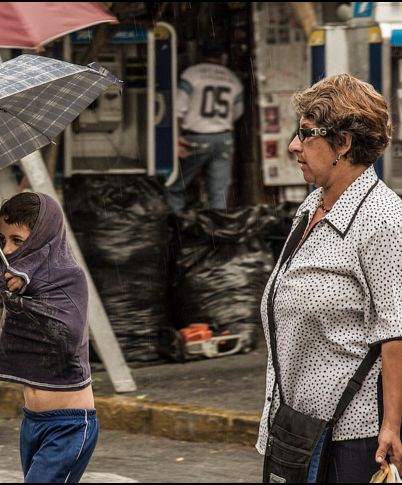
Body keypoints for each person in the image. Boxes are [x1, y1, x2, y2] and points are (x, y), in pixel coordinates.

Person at [257, 73, 402, 482]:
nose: (293, 146)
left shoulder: (383, 220)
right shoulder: (311, 208)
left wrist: (392, 427)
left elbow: (396, 332)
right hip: (294, 426)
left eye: (306, 134)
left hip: (352, 438)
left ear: (344, 143)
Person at [0, 192, 97, 483]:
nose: (8, 250)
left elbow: (66, 337)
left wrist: (23, 301)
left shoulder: (69, 276)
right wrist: (17, 294)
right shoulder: (16, 282)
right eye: (3, 240)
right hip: (33, 422)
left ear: (42, 239)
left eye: (17, 241)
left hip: (70, 424)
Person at [166, 38, 244, 214]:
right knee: (218, 194)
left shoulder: (191, 74)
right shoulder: (232, 79)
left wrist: (177, 137)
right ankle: (217, 234)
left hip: (195, 138)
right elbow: (238, 113)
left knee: (176, 187)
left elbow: (178, 110)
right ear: (222, 56)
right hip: (224, 138)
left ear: (200, 54)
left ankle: (177, 228)